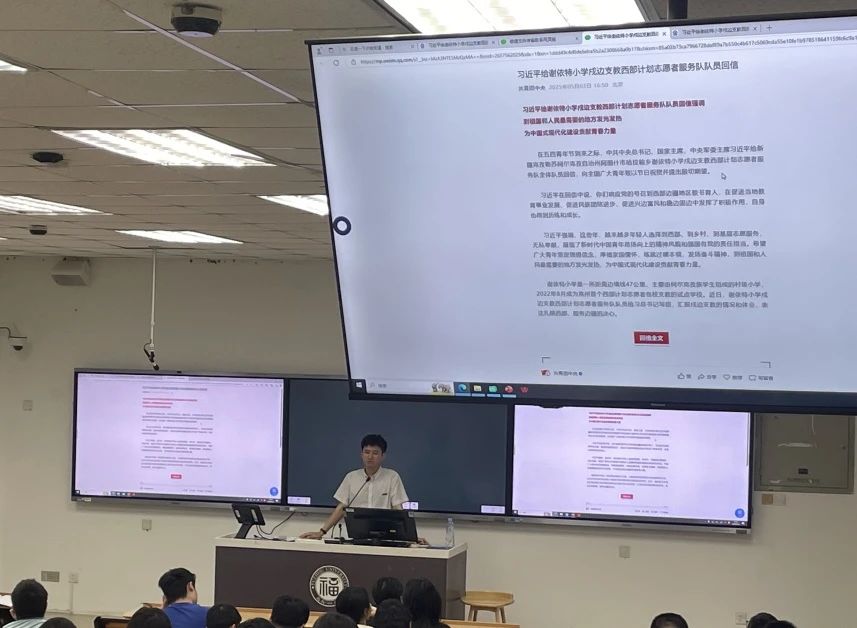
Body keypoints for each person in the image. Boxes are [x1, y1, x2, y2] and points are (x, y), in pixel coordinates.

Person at [301, 434, 408, 539]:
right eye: (367, 452)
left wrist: (408, 536)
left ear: (383, 456)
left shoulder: (392, 477)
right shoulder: (351, 477)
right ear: (361, 455)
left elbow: (398, 509)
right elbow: (342, 507)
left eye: (375, 453)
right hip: (356, 536)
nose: (370, 457)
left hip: (384, 536)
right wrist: (322, 532)